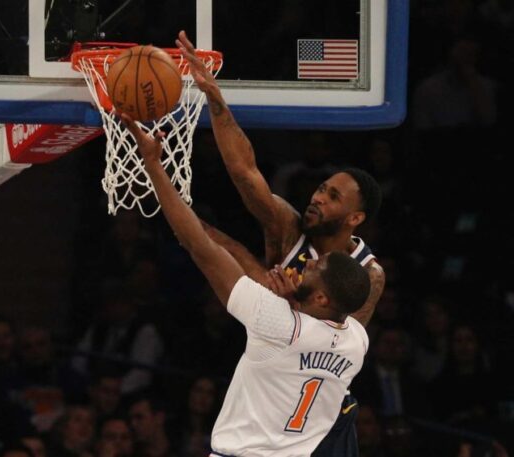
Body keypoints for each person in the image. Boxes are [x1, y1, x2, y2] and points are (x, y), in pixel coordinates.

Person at [176, 30, 386, 455]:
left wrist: (288, 306)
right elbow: (244, 170)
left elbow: (330, 346)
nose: (317, 197)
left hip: (322, 412)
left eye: (331, 197)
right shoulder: (288, 227)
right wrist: (215, 99)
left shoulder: (369, 274)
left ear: (355, 218)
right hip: (274, 381)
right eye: (321, 188)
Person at [122, 114, 371, 455]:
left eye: (315, 267)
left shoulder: (277, 322)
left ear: (322, 297)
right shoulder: (356, 343)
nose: (308, 262)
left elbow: (199, 244)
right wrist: (295, 306)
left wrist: (153, 164)